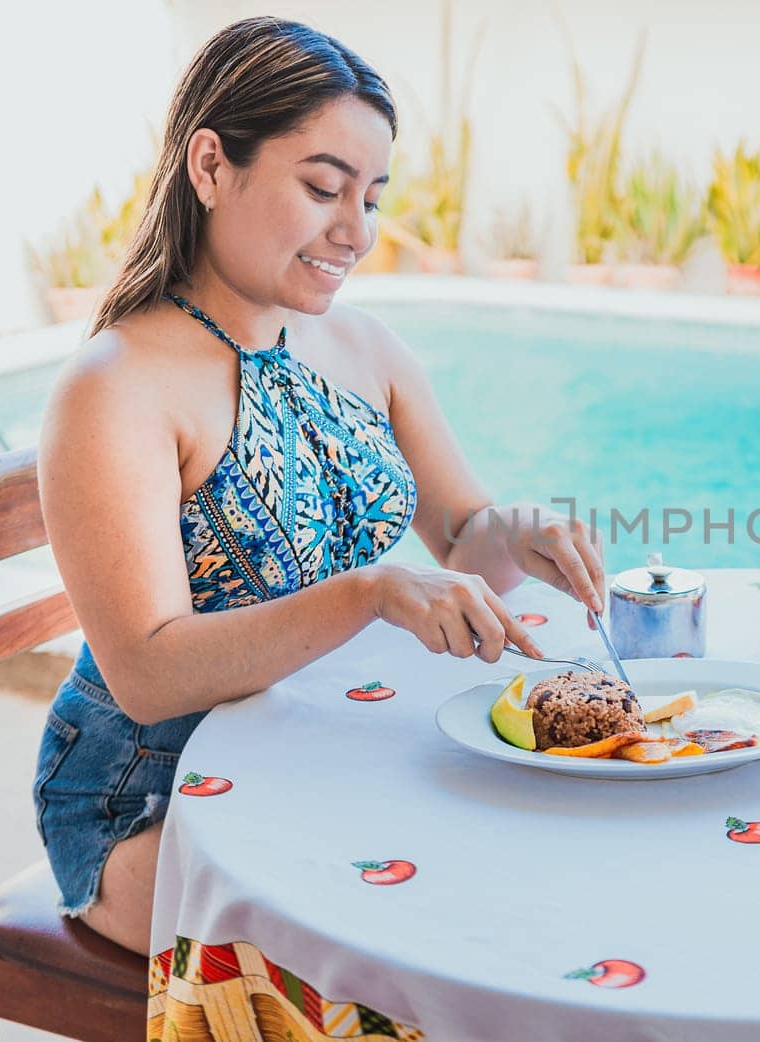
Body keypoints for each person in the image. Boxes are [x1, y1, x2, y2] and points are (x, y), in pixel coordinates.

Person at [32, 16, 604, 954]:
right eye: (323, 188)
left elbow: (463, 536)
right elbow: (144, 673)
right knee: (420, 933)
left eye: (372, 197)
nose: (357, 231)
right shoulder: (115, 387)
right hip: (150, 803)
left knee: (533, 864)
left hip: (311, 751)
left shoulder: (363, 345)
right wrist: (370, 594)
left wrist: (526, 532)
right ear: (210, 165)